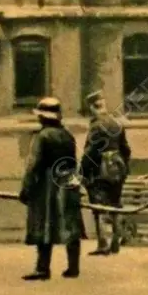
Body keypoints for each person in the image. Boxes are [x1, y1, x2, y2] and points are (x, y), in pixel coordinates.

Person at [19, 97, 86, 281]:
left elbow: (34, 165)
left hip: (48, 184)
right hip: (68, 180)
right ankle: (73, 267)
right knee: (70, 223)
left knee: (44, 222)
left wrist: (26, 188)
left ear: (43, 118)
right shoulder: (67, 135)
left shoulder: (42, 137)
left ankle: (42, 268)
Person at [81, 91, 131, 256]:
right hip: (117, 167)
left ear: (91, 107)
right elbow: (126, 149)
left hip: (100, 170)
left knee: (100, 205)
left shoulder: (96, 126)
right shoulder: (116, 123)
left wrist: (83, 172)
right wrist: (123, 167)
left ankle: (104, 244)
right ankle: (116, 241)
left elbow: (91, 152)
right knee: (115, 203)